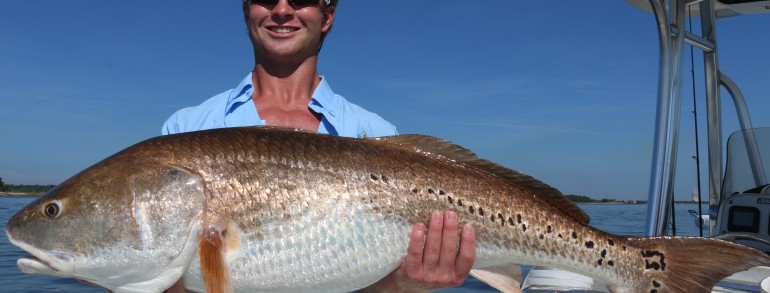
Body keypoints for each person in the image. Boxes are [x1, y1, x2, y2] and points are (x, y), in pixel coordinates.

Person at [160, 1, 478, 292]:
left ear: (326, 16)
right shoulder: (184, 130)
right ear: (246, 12)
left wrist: (401, 284)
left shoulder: (378, 134)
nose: (282, 9)